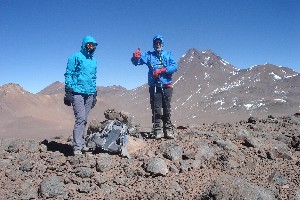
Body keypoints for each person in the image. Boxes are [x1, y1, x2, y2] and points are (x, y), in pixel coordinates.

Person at [131, 35, 178, 139]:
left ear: (162, 43)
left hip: (167, 85)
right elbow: (137, 62)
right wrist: (135, 57)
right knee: (156, 109)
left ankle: (168, 129)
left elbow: (174, 66)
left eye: (159, 43)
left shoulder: (168, 54)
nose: (158, 44)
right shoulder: (149, 55)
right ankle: (157, 130)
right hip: (155, 86)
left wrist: (162, 70)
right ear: (153, 44)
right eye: (156, 43)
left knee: (167, 108)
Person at [64, 36, 98, 155]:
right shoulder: (75, 57)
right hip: (77, 92)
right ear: (84, 44)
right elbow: (69, 74)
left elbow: (93, 78)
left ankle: (81, 144)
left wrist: (95, 94)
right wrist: (68, 91)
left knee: (84, 120)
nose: (91, 47)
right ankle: (77, 147)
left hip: (89, 94)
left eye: (93, 45)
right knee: (80, 118)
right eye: (89, 44)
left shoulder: (94, 61)